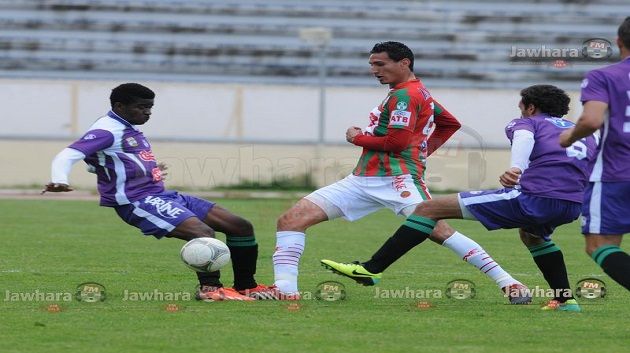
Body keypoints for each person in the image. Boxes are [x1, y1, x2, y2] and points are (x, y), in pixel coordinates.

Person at [271, 41, 530, 303]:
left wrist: (357, 138)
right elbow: (449, 123)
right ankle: (285, 290)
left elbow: (396, 143)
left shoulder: (405, 96)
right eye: (372, 64)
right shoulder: (414, 91)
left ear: (404, 63)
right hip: (361, 180)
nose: (374, 70)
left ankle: (510, 283)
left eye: (380, 64)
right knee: (291, 220)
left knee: (439, 231)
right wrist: (421, 150)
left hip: (397, 179)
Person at [323, 84, 597, 312]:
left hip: (533, 197)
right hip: (572, 204)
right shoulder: (585, 132)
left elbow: (524, 136)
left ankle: (372, 269)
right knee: (533, 236)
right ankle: (565, 300)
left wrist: (517, 168)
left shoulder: (527, 122)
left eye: (521, 107)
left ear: (530, 107)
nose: (520, 112)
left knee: (428, 209)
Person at [43, 83, 275, 301]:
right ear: (119, 106)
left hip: (161, 194)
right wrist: (58, 180)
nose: (147, 112)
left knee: (239, 226)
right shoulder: (107, 129)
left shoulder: (126, 127)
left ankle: (247, 287)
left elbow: (98, 161)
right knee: (201, 232)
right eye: (141, 107)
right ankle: (210, 290)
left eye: (150, 107)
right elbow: (69, 154)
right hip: (136, 201)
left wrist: (149, 170)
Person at [559, 17, 630, 291]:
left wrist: (568, 137)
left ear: (618, 41)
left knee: (599, 245)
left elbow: (591, 121)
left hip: (616, 173)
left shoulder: (604, 76)